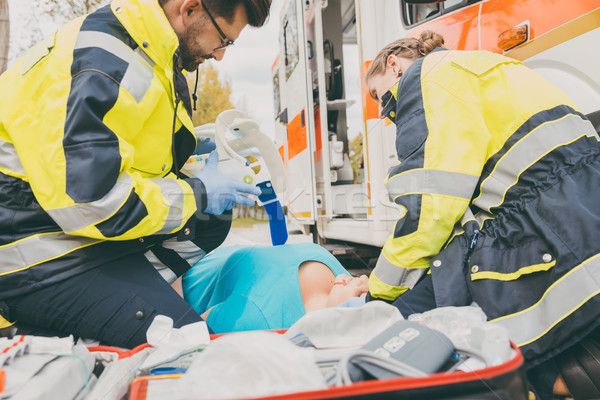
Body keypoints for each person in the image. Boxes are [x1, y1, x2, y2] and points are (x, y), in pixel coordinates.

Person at [0, 0, 271, 348]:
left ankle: (128, 299)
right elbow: (92, 201)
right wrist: (198, 192)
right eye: (223, 40)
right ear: (188, 9)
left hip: (66, 228)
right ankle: (40, 332)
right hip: (30, 253)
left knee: (210, 218)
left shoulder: (148, 52)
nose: (219, 55)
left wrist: (194, 157)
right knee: (183, 343)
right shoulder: (108, 63)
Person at [365, 30, 600, 399]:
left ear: (393, 65)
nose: (387, 113)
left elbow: (429, 209)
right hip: (579, 201)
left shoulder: (424, 78)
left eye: (382, 100)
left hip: (543, 215)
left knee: (427, 316)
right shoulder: (482, 63)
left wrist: (379, 296)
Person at [182, 243, 369, 333]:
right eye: (370, 290)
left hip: (186, 269)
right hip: (210, 249)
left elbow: (191, 333)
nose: (362, 279)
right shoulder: (336, 277)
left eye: (361, 295)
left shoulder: (257, 320)